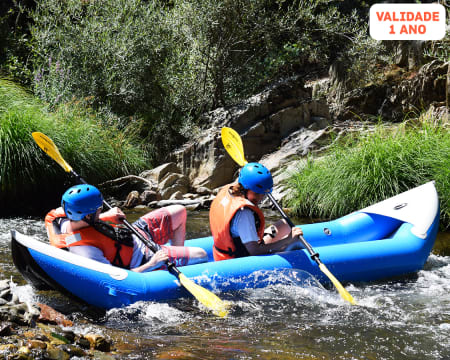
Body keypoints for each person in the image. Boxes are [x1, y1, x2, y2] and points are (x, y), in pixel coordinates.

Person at [45, 184, 207, 272]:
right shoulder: (85, 250)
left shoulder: (64, 218)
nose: (102, 210)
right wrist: (153, 263)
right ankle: (169, 262)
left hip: (133, 234)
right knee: (201, 254)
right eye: (99, 209)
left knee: (179, 210)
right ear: (88, 215)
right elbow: (116, 278)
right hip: (144, 257)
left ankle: (176, 260)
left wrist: (106, 215)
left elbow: (61, 217)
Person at [209, 162, 303, 261]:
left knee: (285, 224)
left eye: (262, 194)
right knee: (293, 244)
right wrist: (287, 240)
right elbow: (255, 251)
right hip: (238, 261)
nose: (260, 198)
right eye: (256, 194)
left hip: (223, 253)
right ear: (245, 189)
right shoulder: (244, 213)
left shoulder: (229, 191)